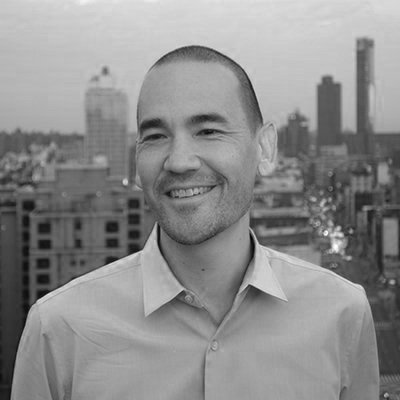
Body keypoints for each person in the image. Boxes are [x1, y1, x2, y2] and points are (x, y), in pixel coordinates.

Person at [11, 45, 379, 399]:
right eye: (156, 136)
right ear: (135, 161)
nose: (179, 161)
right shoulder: (58, 331)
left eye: (208, 131)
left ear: (265, 149)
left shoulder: (342, 314)